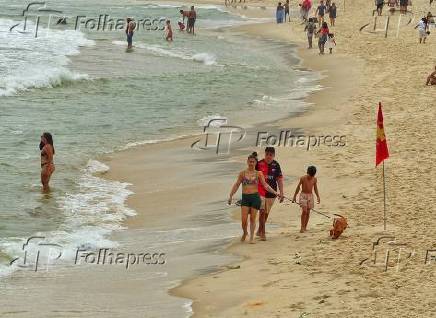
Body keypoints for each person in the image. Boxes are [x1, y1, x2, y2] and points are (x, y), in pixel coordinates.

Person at [228, 152, 279, 244]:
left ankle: (251, 237)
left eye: (253, 162)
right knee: (243, 220)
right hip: (245, 198)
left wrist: (275, 192)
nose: (251, 163)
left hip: (255, 197)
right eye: (250, 161)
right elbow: (236, 185)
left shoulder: (259, 173)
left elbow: (265, 185)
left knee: (252, 218)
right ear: (247, 162)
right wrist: (231, 195)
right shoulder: (242, 173)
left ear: (256, 163)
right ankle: (245, 232)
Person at [256, 147, 284, 241]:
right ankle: (263, 233)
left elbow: (279, 179)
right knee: (262, 212)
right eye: (267, 154)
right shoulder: (259, 164)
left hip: (272, 193)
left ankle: (259, 230)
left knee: (266, 213)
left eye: (270, 155)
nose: (268, 157)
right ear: (265, 154)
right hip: (260, 192)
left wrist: (281, 192)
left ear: (274, 155)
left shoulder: (276, 165)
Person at [292, 166, 320, 233]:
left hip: (310, 196)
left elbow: (315, 188)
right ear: (307, 172)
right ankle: (302, 227)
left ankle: (305, 227)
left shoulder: (314, 179)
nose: (310, 177)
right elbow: (298, 187)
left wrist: (318, 196)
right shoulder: (303, 178)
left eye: (312, 176)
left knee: (308, 212)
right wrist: (294, 196)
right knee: (304, 211)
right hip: (303, 195)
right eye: (309, 175)